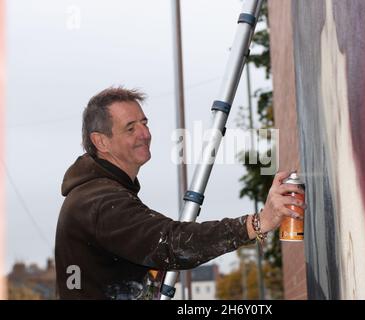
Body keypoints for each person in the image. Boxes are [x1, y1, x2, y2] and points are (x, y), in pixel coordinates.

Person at [55, 87, 306, 299]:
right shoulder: (98, 201)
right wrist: (258, 223)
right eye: (130, 128)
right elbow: (171, 244)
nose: (145, 134)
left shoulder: (100, 193)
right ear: (101, 141)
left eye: (144, 123)